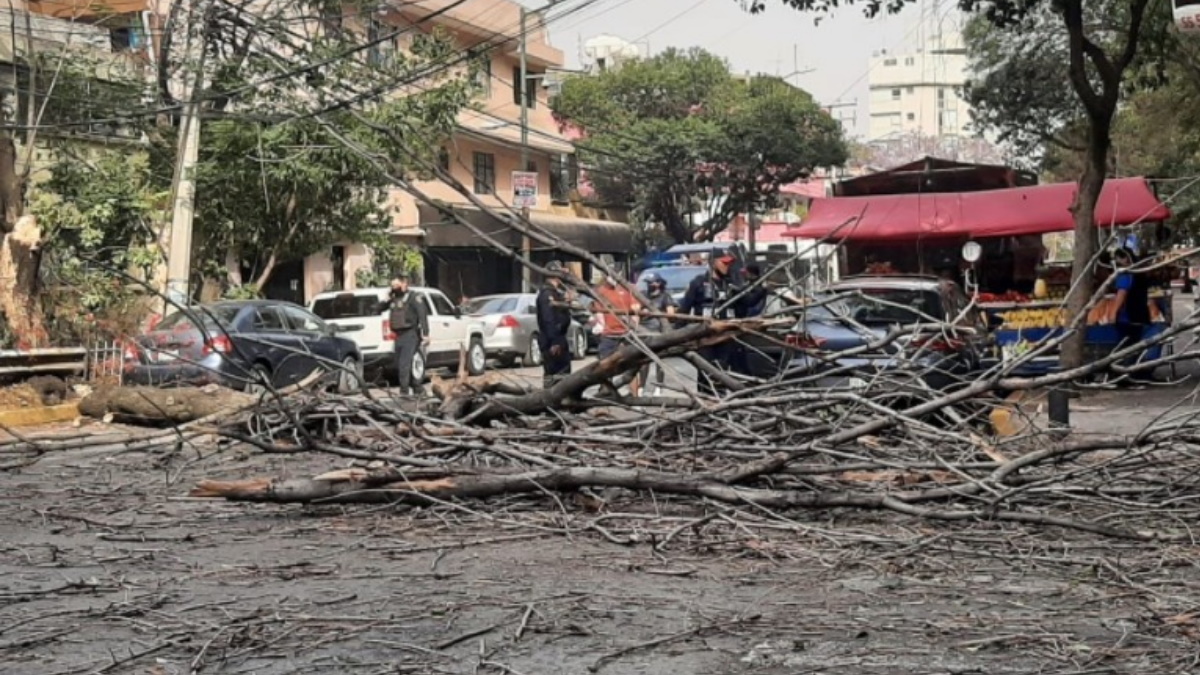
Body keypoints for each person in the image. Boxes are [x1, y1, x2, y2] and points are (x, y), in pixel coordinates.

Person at [678, 255, 746, 392]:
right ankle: (705, 401)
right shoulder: (698, 282)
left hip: (726, 336)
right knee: (705, 371)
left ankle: (720, 402)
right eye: (724, 263)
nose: (727, 266)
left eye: (729, 264)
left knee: (723, 370)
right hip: (705, 337)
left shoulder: (732, 283)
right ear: (713, 262)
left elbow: (742, 310)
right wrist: (678, 334)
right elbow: (684, 309)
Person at [1107, 247, 1151, 387]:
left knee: (1125, 348)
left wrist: (1113, 312)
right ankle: (1129, 376)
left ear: (1125, 259)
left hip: (1128, 316)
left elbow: (1122, 294)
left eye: (1118, 259)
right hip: (1140, 314)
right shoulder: (1139, 273)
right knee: (1133, 347)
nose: (1117, 263)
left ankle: (1123, 377)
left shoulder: (1126, 274)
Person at [592, 274, 642, 396]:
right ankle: (605, 395)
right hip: (609, 334)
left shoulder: (627, 289)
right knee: (605, 365)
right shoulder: (600, 292)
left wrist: (634, 325)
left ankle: (635, 397)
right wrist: (600, 326)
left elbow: (636, 309)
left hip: (627, 333)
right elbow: (598, 312)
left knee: (632, 364)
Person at [385, 274, 429, 396]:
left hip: (411, 334)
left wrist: (426, 333)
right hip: (398, 336)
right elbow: (378, 308)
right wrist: (386, 298)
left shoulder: (414, 297)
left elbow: (422, 315)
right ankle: (417, 387)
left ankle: (404, 391)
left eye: (396, 285)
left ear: (404, 284)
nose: (394, 288)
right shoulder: (394, 298)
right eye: (392, 285)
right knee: (400, 364)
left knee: (404, 364)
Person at [535, 261, 574, 389]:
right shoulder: (547, 294)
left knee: (563, 374)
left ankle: (561, 402)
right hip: (552, 340)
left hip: (559, 336)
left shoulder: (556, 293)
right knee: (555, 374)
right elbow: (548, 319)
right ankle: (552, 404)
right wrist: (555, 341)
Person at [637, 272, 677, 395]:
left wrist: (659, 314)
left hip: (659, 332)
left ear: (658, 283)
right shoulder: (643, 296)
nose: (649, 285)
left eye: (651, 283)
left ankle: (659, 387)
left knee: (659, 360)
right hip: (644, 331)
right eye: (648, 283)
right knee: (644, 362)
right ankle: (641, 387)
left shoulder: (665, 296)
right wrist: (640, 311)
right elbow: (636, 310)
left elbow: (671, 314)